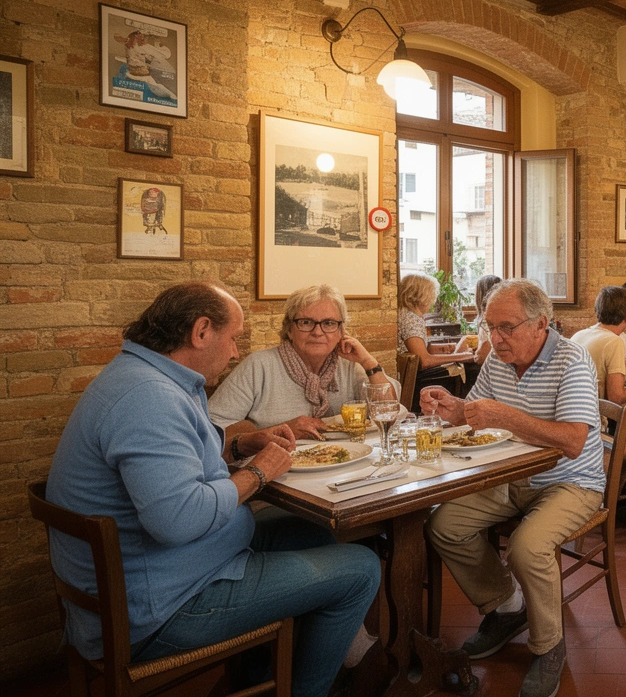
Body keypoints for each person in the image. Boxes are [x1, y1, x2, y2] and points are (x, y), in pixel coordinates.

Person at [45, 282, 382, 697]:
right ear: (201, 331)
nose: (236, 351)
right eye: (234, 337)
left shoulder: (145, 376)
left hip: (169, 568)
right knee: (361, 568)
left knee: (312, 531)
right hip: (161, 608)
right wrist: (257, 474)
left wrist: (241, 443)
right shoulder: (149, 398)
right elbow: (179, 520)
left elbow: (184, 452)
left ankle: (257, 678)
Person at [420, 280, 605, 697]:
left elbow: (573, 440)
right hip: (510, 478)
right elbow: (476, 415)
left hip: (572, 481)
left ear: (541, 324)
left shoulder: (572, 359)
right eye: (490, 327)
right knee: (443, 524)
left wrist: (505, 415)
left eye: (506, 328)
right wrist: (453, 410)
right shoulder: (499, 358)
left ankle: (549, 647)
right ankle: (507, 606)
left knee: (526, 546)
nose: (496, 339)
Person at [209, 284, 396, 440]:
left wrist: (368, 361)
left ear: (341, 331)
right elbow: (212, 427)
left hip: (347, 464)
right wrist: (276, 431)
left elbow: (389, 412)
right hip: (277, 473)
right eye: (306, 322)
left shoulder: (349, 366)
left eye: (329, 323)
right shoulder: (259, 366)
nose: (317, 332)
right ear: (289, 329)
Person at [397, 271, 478, 410]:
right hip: (416, 378)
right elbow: (424, 361)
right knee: (470, 370)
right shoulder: (412, 319)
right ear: (420, 296)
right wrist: (464, 357)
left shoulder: (406, 314)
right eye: (431, 294)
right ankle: (464, 411)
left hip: (412, 374)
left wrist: (447, 348)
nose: (433, 300)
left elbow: (420, 349)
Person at [570, 285, 626, 403]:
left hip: (573, 409)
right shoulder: (614, 341)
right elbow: (616, 397)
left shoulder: (579, 335)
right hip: (595, 415)